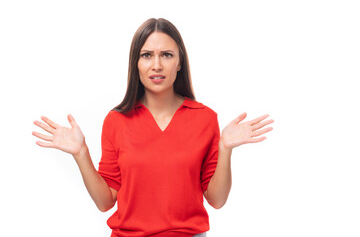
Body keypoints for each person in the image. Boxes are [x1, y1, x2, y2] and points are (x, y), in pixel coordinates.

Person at [32, 18, 274, 237]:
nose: (156, 65)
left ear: (180, 62)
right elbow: (105, 202)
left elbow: (217, 200)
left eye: (167, 55)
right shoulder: (116, 120)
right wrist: (81, 153)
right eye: (147, 55)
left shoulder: (205, 119)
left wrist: (225, 148)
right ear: (136, 63)